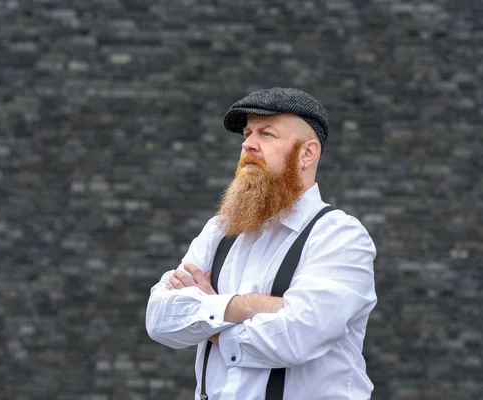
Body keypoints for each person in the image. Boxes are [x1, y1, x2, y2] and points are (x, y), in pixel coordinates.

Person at [145, 87, 378, 399]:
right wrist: (251, 306)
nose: (248, 145)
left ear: (307, 153)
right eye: (247, 133)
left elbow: (297, 337)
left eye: (267, 134)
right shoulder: (220, 230)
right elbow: (159, 318)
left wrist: (208, 314)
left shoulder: (339, 236)